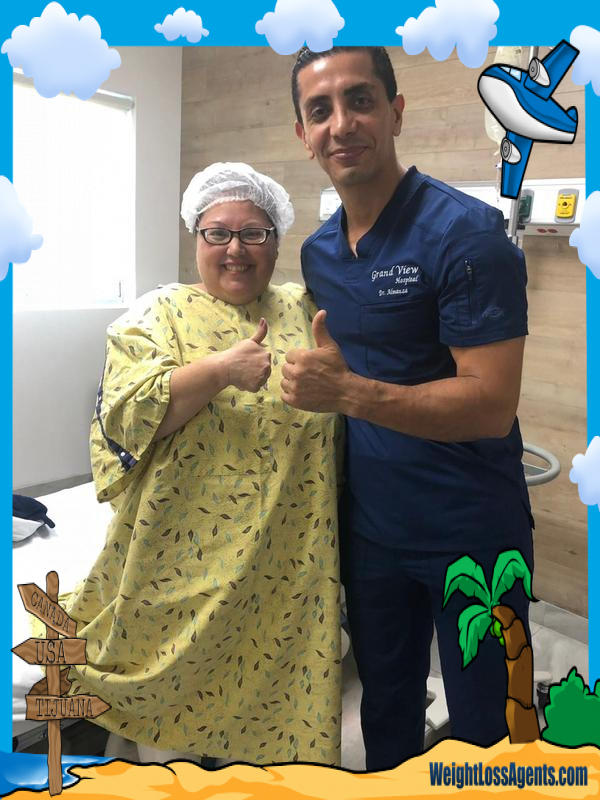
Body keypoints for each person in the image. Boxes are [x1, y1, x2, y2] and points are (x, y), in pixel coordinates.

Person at [283, 46, 535, 771]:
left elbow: (490, 405)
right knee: (386, 707)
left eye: (359, 100)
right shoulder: (318, 254)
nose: (341, 124)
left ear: (395, 112)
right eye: (320, 110)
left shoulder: (466, 236)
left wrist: (348, 394)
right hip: (373, 534)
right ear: (303, 135)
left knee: (493, 725)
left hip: (473, 531)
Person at [65, 163, 343, 766]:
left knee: (270, 726)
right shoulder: (156, 314)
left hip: (285, 568)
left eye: (254, 233)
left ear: (276, 242)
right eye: (218, 233)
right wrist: (220, 370)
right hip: (175, 565)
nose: (235, 249)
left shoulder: (306, 309)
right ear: (196, 237)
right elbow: (128, 417)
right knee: (168, 735)